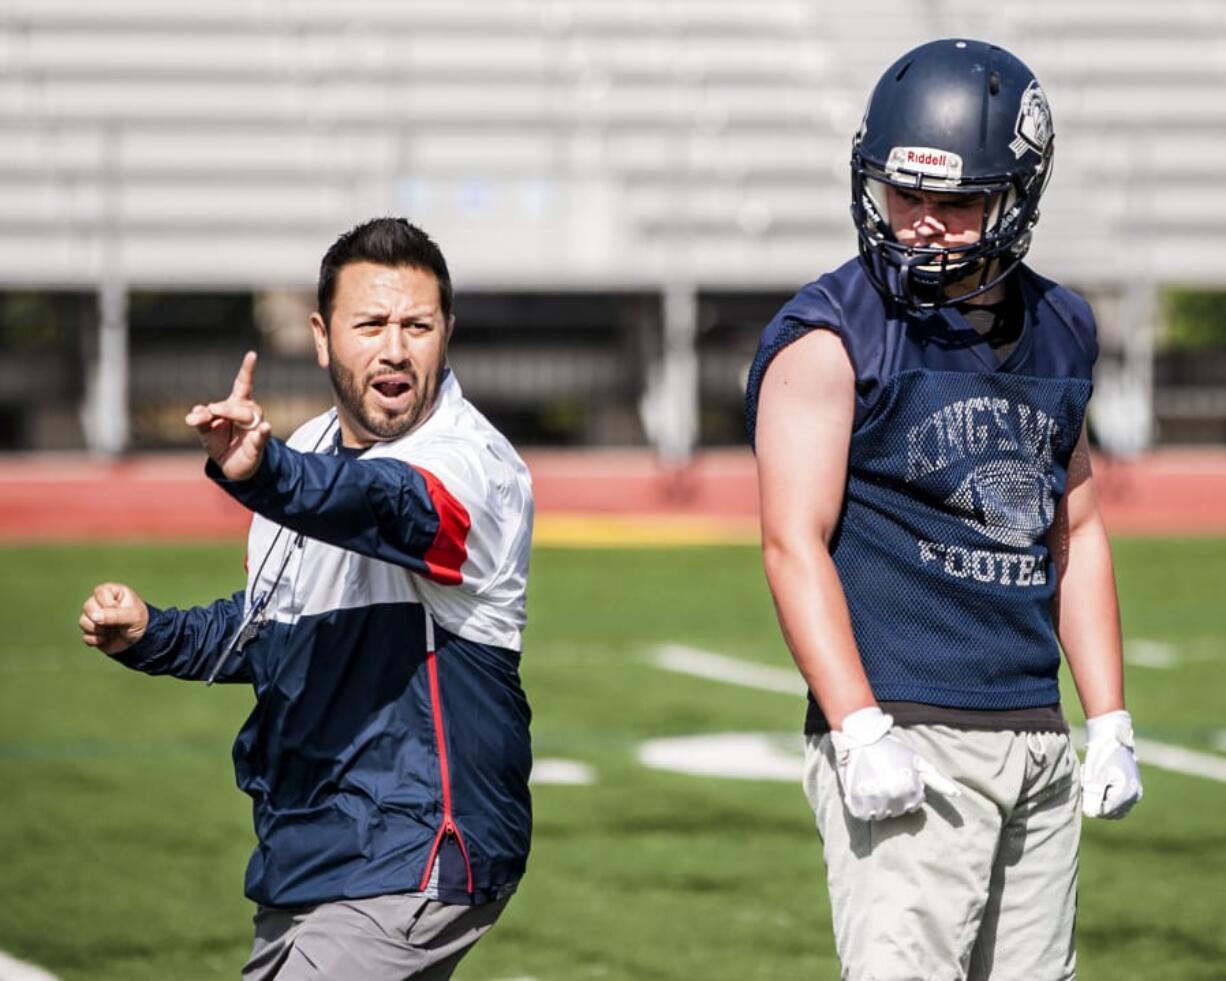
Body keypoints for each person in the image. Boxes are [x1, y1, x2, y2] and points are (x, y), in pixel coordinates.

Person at [746, 39, 1143, 979]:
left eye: (956, 202)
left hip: (1033, 731)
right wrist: (856, 724)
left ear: (1018, 195)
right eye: (903, 194)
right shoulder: (830, 334)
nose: (921, 223)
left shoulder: (1065, 325)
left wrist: (1111, 717)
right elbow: (790, 542)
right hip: (907, 723)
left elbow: (1074, 524)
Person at [78, 218, 534, 980]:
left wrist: (267, 475)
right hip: (312, 848)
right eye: (372, 324)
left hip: (417, 844)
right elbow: (268, 625)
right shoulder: (312, 451)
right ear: (323, 337)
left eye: (418, 325)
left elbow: (390, 505)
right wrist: (151, 632)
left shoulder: (471, 461)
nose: (395, 348)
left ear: (446, 332)